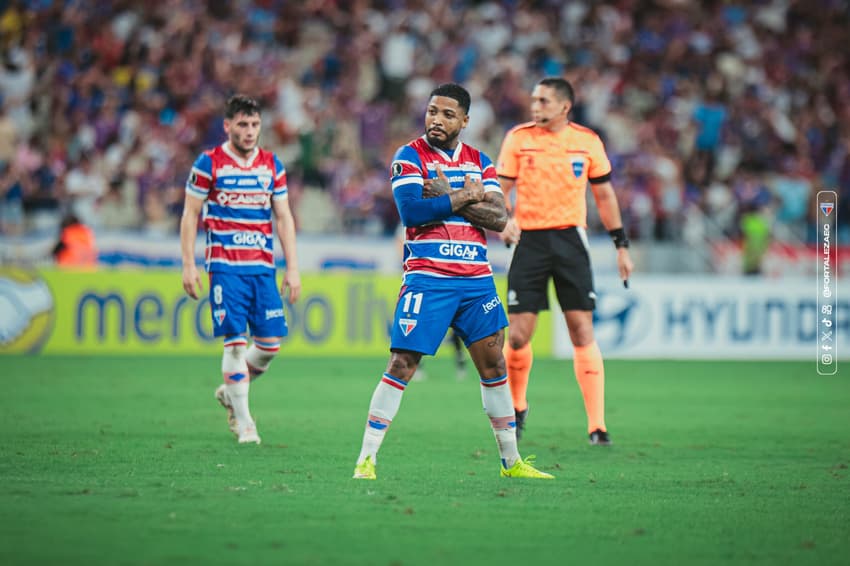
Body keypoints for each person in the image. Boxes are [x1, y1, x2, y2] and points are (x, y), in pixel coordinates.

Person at [352, 83, 553, 480]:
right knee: (403, 362)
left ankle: (511, 463)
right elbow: (412, 212)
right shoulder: (409, 157)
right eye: (431, 112)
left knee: (495, 365)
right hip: (428, 280)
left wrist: (449, 195)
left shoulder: (480, 159)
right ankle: (367, 458)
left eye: (446, 114)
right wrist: (465, 197)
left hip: (477, 281)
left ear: (464, 120)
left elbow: (499, 218)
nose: (436, 120)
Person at [496, 77, 634, 445]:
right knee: (520, 334)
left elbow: (604, 197)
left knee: (581, 331)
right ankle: (517, 407)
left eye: (542, 101)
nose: (535, 106)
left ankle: (597, 425)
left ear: (564, 107)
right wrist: (504, 220)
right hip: (530, 240)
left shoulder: (587, 142)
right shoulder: (519, 138)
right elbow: (500, 190)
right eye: (533, 100)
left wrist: (621, 245)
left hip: (571, 240)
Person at [180, 94, 301, 445]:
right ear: (228, 126)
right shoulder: (209, 163)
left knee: (269, 345)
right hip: (225, 267)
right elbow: (190, 214)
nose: (250, 132)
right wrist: (189, 264)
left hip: (262, 267)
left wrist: (292, 267)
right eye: (243, 125)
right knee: (235, 344)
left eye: (255, 125)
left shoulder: (271, 165)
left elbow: (284, 217)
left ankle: (229, 392)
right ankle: (245, 422)